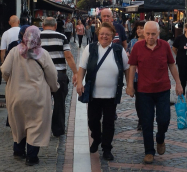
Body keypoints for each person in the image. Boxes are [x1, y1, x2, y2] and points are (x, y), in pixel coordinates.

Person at [1, 26, 59, 166]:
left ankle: (18, 151)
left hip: (16, 94)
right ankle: (31, 157)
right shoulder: (43, 54)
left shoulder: (14, 51)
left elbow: (5, 70)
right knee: (36, 124)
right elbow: (52, 74)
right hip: (37, 95)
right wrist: (54, 87)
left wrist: (10, 82)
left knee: (18, 123)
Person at [127, 21, 183, 164]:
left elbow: (171, 64)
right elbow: (132, 66)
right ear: (143, 33)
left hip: (162, 89)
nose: (150, 37)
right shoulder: (137, 47)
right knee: (146, 122)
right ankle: (149, 151)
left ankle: (160, 138)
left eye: (153, 34)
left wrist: (178, 83)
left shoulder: (164, 46)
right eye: (148, 34)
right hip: (144, 91)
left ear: (158, 33)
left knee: (164, 119)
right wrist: (130, 85)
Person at [76, 22, 129, 161]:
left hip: (112, 93)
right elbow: (82, 67)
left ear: (113, 36)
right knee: (93, 120)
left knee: (109, 122)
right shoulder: (90, 48)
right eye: (102, 34)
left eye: (107, 34)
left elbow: (127, 68)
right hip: (94, 93)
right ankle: (96, 137)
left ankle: (107, 148)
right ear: (97, 35)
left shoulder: (118, 50)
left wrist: (130, 85)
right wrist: (80, 83)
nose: (104, 36)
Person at [40, 17, 78, 137]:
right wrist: (76, 72)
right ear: (55, 26)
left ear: (43, 24)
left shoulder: (37, 37)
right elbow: (68, 56)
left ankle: (41, 128)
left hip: (41, 74)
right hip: (59, 74)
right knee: (59, 103)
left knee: (41, 102)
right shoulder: (61, 37)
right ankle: (58, 129)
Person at [126, 20, 146, 131]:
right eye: (137, 28)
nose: (139, 30)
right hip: (136, 76)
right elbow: (128, 59)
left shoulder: (150, 41)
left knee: (146, 99)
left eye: (141, 28)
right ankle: (141, 120)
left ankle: (146, 118)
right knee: (139, 99)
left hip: (148, 76)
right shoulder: (132, 42)